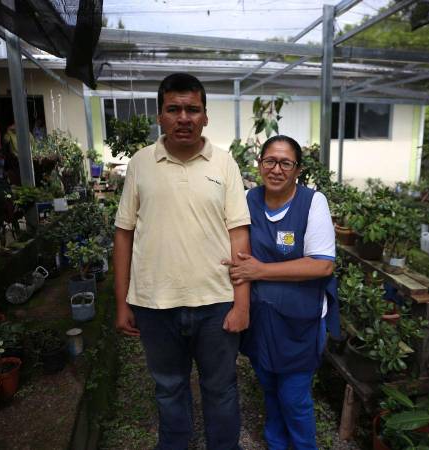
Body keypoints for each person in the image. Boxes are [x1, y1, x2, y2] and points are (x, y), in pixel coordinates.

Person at [113, 73, 251, 450]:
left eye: (193, 109)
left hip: (216, 303)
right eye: (174, 109)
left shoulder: (225, 164)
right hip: (155, 304)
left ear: (206, 116)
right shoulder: (141, 163)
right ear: (160, 116)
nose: (184, 117)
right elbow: (123, 234)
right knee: (169, 387)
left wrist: (242, 303)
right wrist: (121, 300)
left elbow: (239, 235)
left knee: (220, 389)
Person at [223, 135, 337, 450]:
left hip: (300, 322)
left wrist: (260, 271)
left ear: (297, 169)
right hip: (261, 318)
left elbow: (322, 265)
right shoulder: (246, 200)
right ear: (259, 164)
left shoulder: (313, 202)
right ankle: (275, 443)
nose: (277, 169)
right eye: (270, 161)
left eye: (286, 163)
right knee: (270, 389)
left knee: (294, 396)